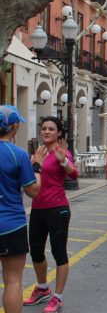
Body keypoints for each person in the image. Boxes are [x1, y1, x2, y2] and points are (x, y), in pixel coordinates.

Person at [24, 116, 78, 312]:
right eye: (44, 128)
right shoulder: (38, 153)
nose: (46, 131)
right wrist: (33, 164)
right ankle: (42, 289)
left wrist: (63, 161)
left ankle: (58, 297)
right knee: (36, 251)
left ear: (59, 133)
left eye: (51, 129)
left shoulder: (60, 152)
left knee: (59, 252)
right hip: (37, 208)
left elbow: (74, 174)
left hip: (57, 209)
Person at [0, 105, 40, 313]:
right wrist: (37, 166)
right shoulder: (18, 154)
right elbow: (33, 191)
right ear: (14, 126)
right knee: (13, 280)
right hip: (10, 225)